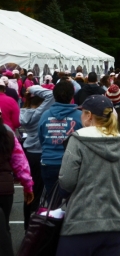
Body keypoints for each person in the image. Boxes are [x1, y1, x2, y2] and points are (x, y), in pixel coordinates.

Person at [56, 96, 120, 256]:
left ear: (89, 115)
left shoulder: (78, 140)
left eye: (83, 112)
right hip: (116, 224)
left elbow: (67, 181)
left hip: (81, 221)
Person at [38, 80, 82, 194]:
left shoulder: (45, 115)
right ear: (72, 96)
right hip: (72, 164)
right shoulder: (80, 116)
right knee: (72, 202)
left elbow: (41, 138)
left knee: (52, 203)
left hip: (49, 162)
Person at [0, 107, 34, 256]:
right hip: (4, 188)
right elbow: (20, 163)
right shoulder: (8, 135)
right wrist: (28, 187)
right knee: (3, 227)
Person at [19, 85, 54, 228]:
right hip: (40, 153)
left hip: (28, 153)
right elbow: (51, 94)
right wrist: (32, 87)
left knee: (29, 190)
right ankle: (36, 225)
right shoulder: (40, 112)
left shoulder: (23, 112)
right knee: (39, 192)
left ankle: (28, 224)